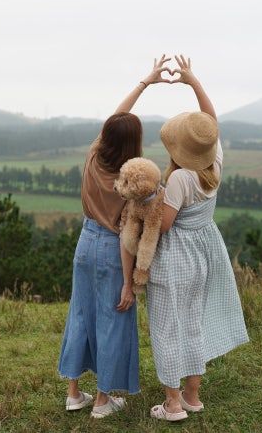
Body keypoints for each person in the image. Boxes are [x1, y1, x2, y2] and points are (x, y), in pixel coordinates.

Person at [57, 55, 172, 419]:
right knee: (113, 319)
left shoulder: (93, 155)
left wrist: (144, 82)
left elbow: (114, 120)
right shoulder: (131, 184)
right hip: (111, 249)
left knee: (80, 315)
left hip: (84, 243)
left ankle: (75, 393)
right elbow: (126, 237)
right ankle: (104, 401)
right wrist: (128, 282)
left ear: (106, 137)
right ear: (133, 145)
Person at [146, 55, 249, 422]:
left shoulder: (178, 179)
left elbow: (164, 227)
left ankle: (172, 405)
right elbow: (212, 125)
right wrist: (193, 81)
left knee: (167, 326)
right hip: (204, 254)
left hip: (176, 257)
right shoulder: (213, 167)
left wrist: (145, 208)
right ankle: (192, 395)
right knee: (192, 323)